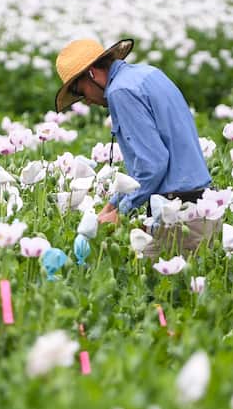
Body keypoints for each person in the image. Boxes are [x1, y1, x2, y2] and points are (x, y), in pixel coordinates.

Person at [54, 38, 215, 255]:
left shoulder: (120, 91)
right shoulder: (147, 74)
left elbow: (153, 164)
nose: (87, 101)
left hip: (178, 214)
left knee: (155, 285)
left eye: (80, 90)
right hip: (202, 204)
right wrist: (112, 204)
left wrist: (121, 211)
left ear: (92, 73)